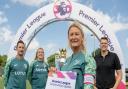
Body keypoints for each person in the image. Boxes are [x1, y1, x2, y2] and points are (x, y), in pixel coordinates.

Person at [61, 22, 96, 89]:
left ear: (82, 37)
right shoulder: (66, 61)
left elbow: (89, 87)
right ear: (68, 38)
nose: (74, 37)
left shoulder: (88, 58)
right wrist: (53, 75)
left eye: (77, 34)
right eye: (71, 34)